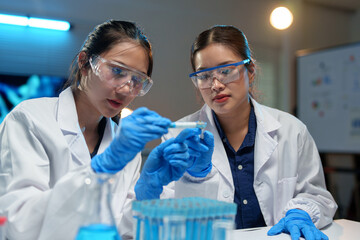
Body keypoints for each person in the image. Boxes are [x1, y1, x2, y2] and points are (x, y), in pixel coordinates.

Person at [0, 20, 203, 240]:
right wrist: (100, 170)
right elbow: (18, 225)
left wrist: (147, 193)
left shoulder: (124, 146)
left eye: (137, 80)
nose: (126, 88)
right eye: (117, 71)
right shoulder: (30, 120)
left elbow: (123, 231)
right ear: (85, 63)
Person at [162, 25, 338, 240]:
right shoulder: (178, 136)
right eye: (204, 76)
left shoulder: (292, 130)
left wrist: (301, 213)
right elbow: (165, 206)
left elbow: (316, 195)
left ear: (250, 71)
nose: (215, 85)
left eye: (226, 71)